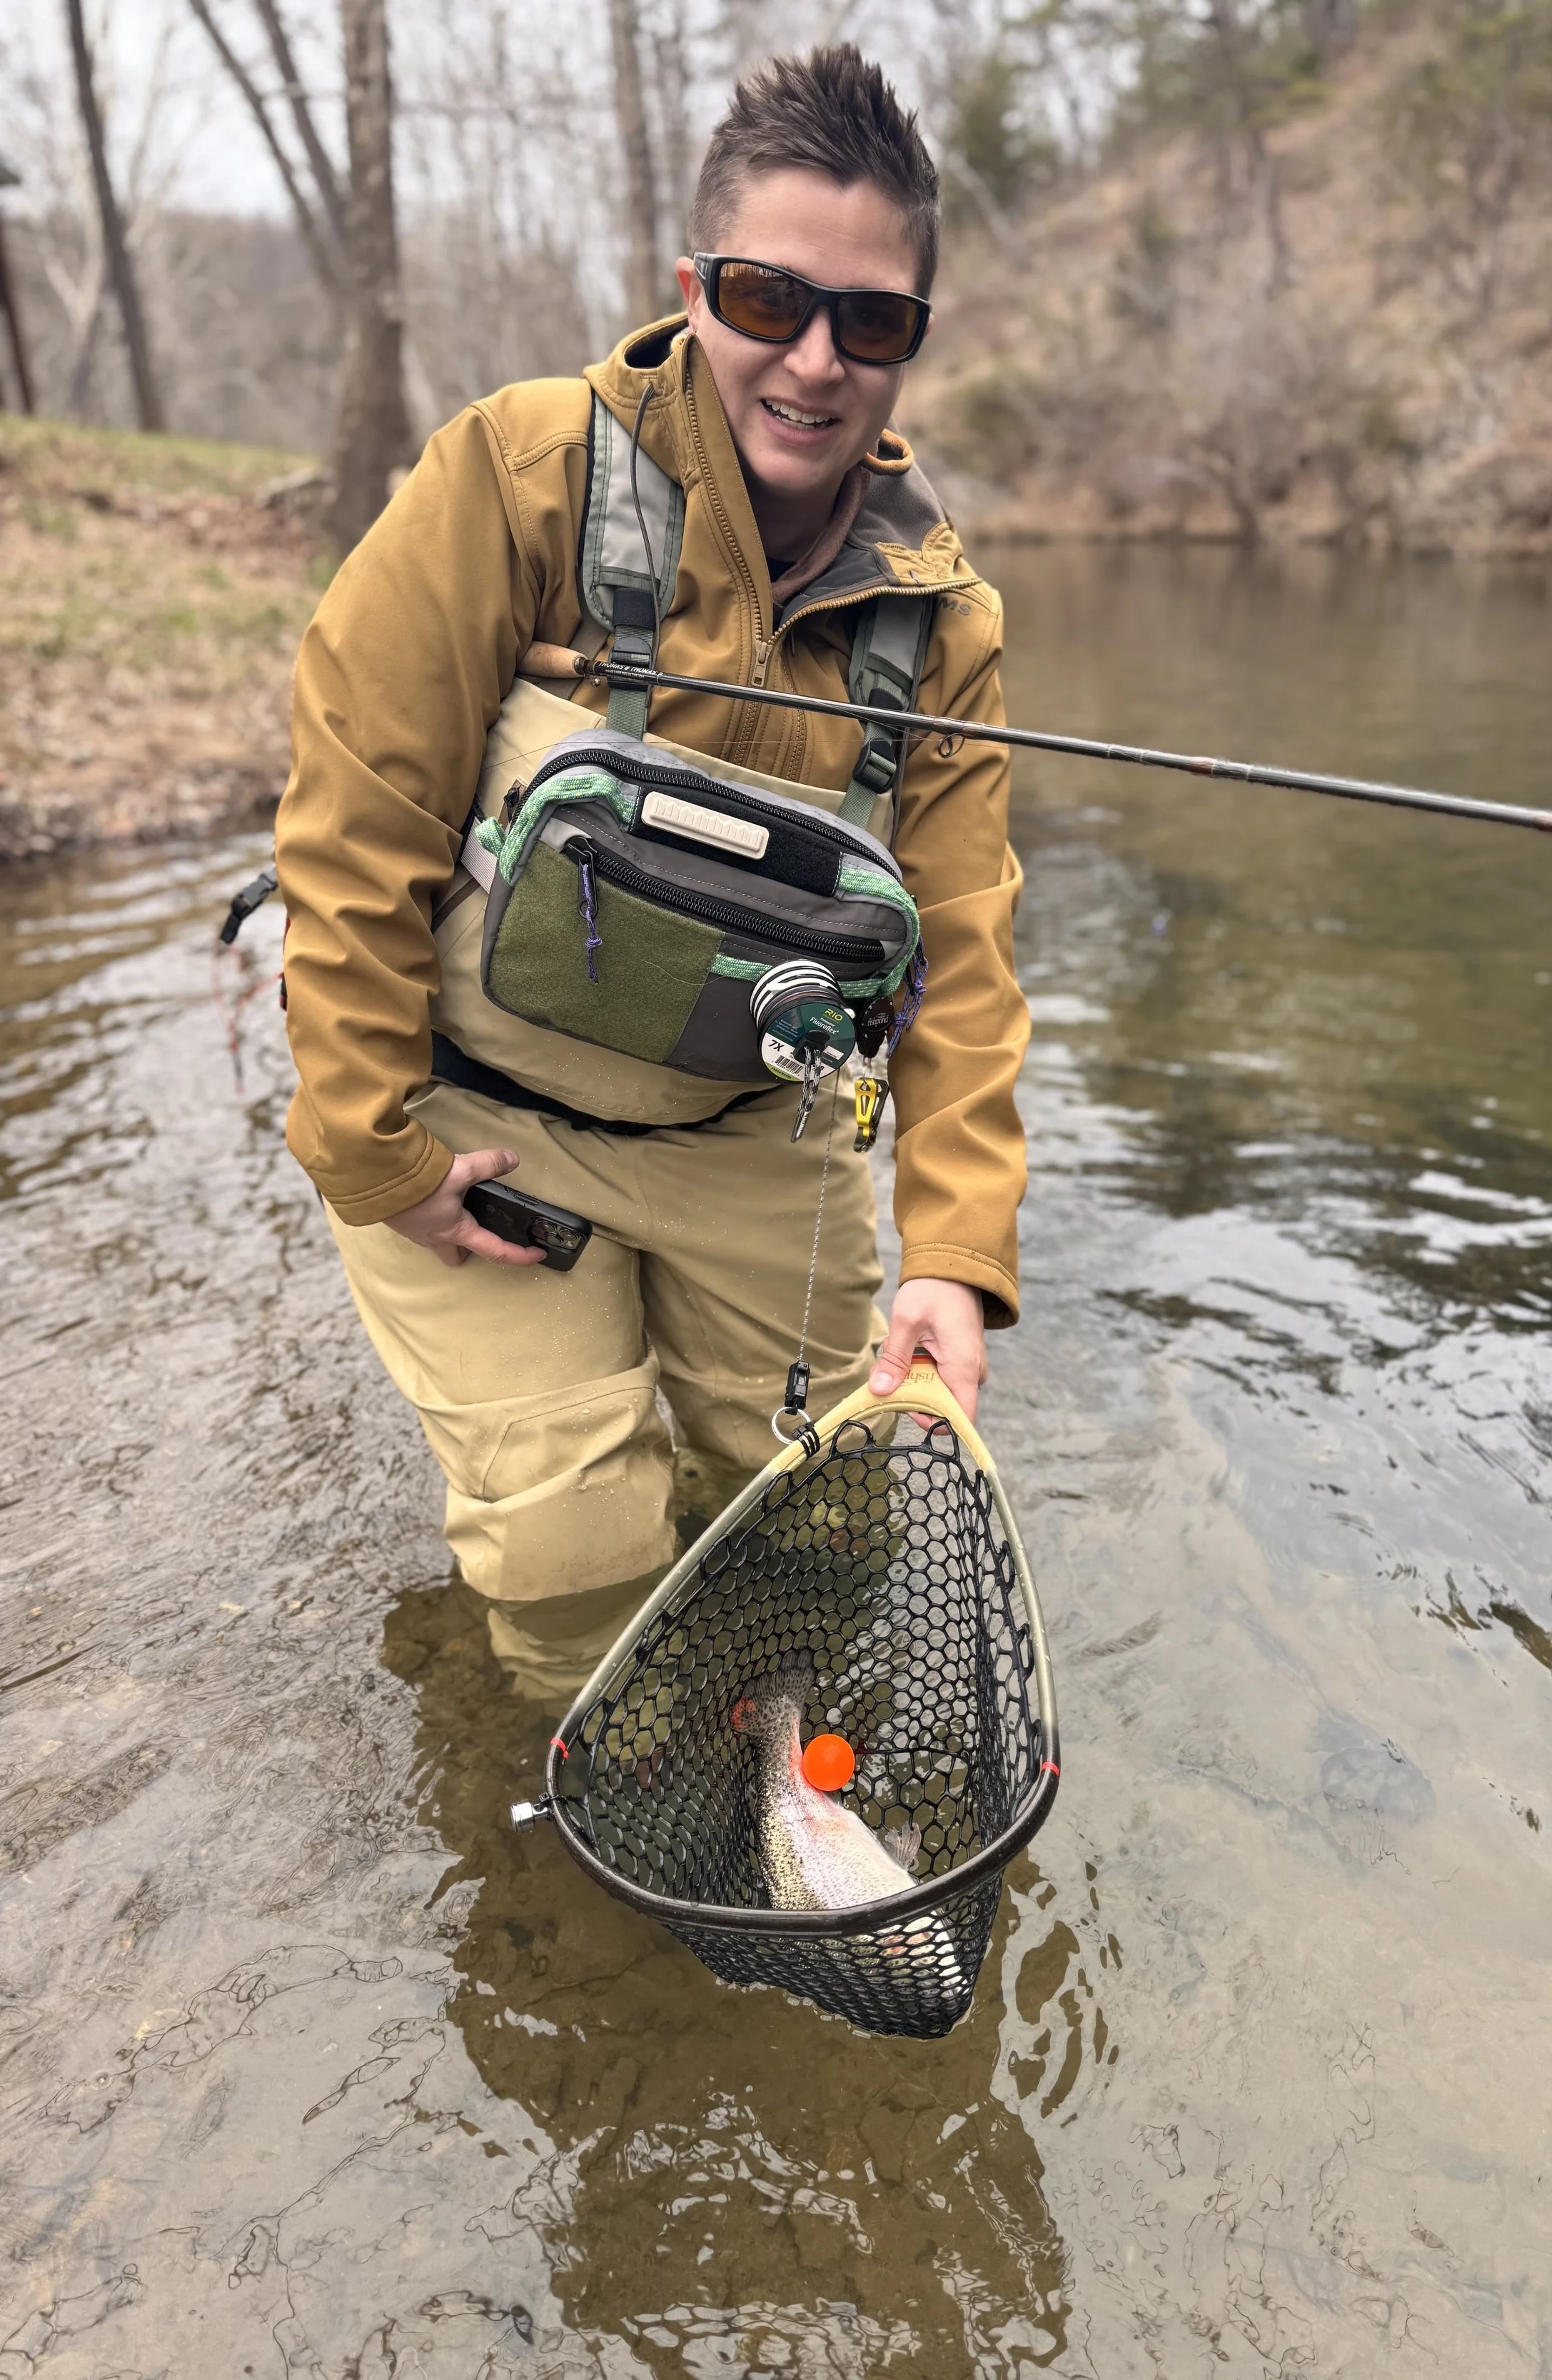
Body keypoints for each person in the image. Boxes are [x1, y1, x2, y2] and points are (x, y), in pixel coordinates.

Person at [274, 45, 1029, 1702]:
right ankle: (566, 1797)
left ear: (910, 340)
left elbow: (962, 957)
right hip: (480, 1113)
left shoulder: (944, 622)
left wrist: (952, 1254)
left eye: (870, 321)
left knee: (821, 1534)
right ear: (694, 290)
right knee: (575, 1554)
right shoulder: (519, 470)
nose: (815, 360)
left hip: (755, 1132)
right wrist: (371, 1149)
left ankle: (764, 1755)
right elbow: (352, 825)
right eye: (768, 299)